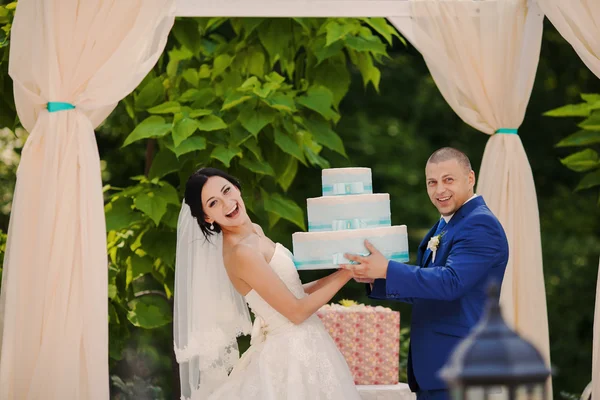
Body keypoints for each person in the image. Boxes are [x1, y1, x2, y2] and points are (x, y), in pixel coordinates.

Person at [174, 167, 362, 400]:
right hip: (291, 352)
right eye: (213, 203)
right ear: (207, 217)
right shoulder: (241, 252)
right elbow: (296, 311)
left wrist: (346, 272)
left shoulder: (255, 232)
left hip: (307, 342)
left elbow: (291, 292)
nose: (227, 204)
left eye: (227, 191)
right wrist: (348, 273)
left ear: (237, 188)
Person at [342, 147, 509, 400]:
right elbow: (429, 290)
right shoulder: (447, 224)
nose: (439, 190)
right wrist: (378, 278)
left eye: (448, 180)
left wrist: (388, 268)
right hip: (436, 368)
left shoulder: (480, 224)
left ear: (470, 178)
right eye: (432, 182)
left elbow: (450, 283)